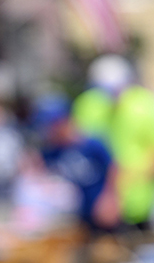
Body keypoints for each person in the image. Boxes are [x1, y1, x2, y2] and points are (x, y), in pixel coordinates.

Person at [71, 54, 154, 229]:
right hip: (94, 205)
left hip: (136, 206)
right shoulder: (89, 103)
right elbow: (78, 149)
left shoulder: (145, 104)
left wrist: (128, 181)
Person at [35, 96, 119, 234]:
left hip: (101, 208)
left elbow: (114, 168)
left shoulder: (92, 144)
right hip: (78, 214)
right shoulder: (53, 151)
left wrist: (111, 199)